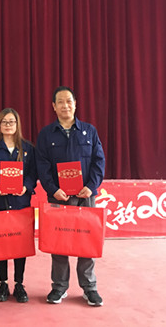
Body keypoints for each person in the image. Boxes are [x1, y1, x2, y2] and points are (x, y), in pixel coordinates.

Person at [36, 86, 105, 307]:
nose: (65, 105)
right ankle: (59, 287)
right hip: (59, 197)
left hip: (85, 195)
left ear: (75, 104)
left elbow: (99, 161)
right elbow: (42, 165)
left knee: (86, 240)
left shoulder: (89, 131)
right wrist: (52, 189)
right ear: (53, 106)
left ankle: (89, 288)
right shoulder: (46, 134)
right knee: (59, 242)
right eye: (60, 102)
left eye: (69, 101)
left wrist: (91, 186)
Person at [0, 108, 37, 303]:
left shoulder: (28, 148)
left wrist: (26, 186)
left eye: (11, 121)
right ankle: (3, 282)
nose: (8, 125)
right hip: (0, 202)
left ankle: (19, 283)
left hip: (21, 202)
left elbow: (33, 174)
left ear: (17, 124)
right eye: (4, 122)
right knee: (2, 243)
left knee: (20, 244)